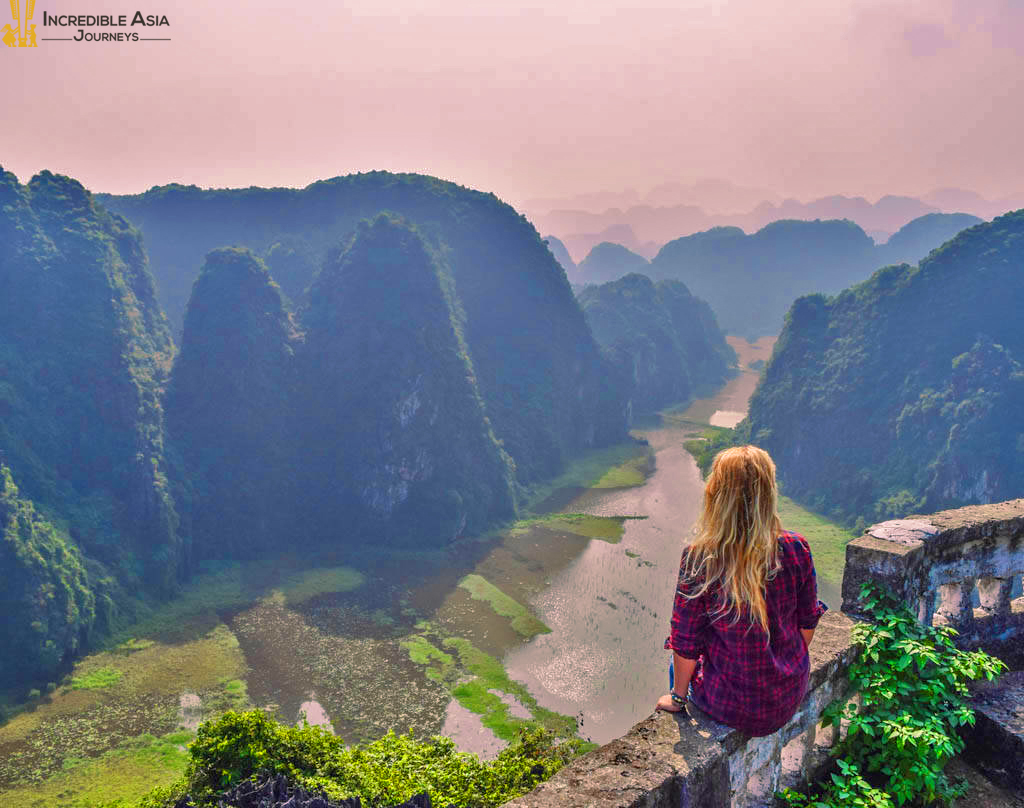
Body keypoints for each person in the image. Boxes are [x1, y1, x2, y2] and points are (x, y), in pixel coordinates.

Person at [655, 445, 827, 737]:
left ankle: (677, 695)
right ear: (768, 493)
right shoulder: (796, 547)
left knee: (678, 668)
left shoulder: (701, 558)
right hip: (787, 696)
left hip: (731, 706)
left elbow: (685, 641)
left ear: (716, 495)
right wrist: (777, 674)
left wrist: (677, 697)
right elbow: (806, 625)